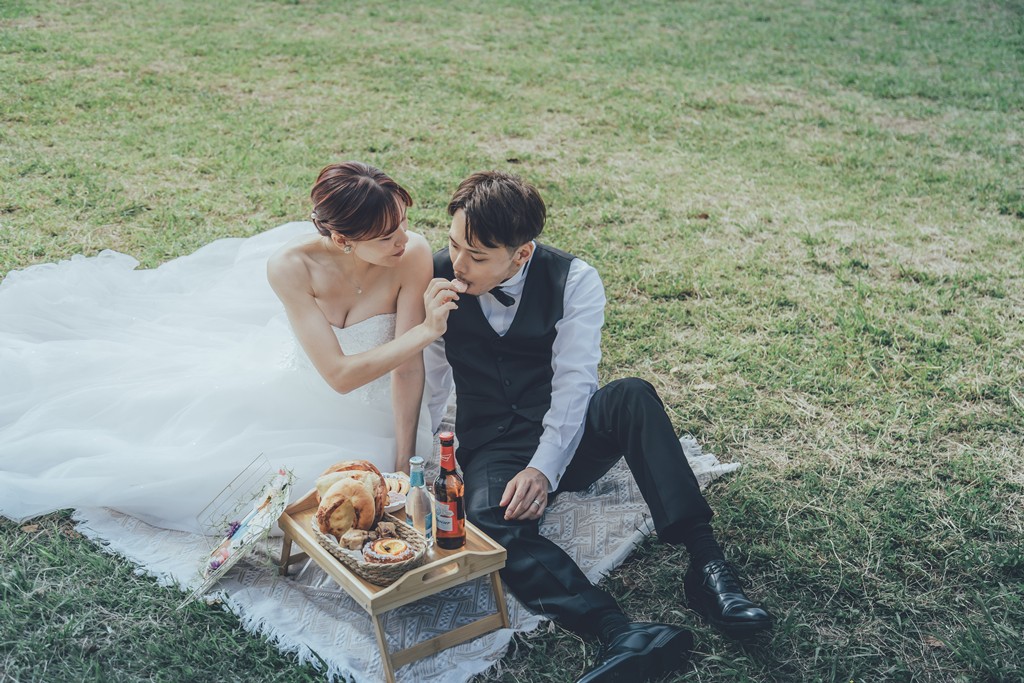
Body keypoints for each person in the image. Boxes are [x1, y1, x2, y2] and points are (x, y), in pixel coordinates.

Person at [425, 171, 772, 683]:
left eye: (477, 257)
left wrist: (544, 469)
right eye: (454, 246)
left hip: (565, 436)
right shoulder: (433, 279)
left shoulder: (575, 279)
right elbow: (428, 385)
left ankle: (707, 566)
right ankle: (619, 630)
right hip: (493, 446)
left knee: (631, 394)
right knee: (485, 522)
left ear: (521, 254)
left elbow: (574, 386)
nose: (458, 265)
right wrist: (417, 472)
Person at [0, 161, 455, 536]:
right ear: (342, 240)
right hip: (306, 398)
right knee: (209, 474)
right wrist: (427, 330)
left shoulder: (408, 254)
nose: (404, 239)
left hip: (384, 411)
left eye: (403, 223)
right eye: (385, 235)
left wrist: (403, 463)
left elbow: (407, 369)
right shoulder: (291, 268)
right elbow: (337, 376)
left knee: (364, 496)